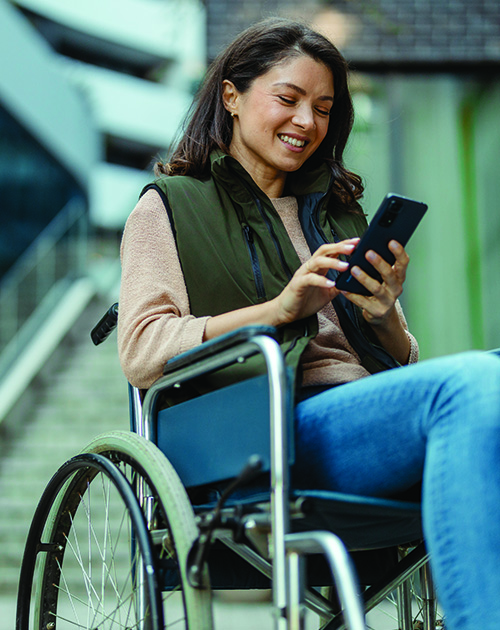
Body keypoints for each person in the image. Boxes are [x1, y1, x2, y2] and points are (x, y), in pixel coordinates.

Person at [118, 17, 500, 630]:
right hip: (265, 430)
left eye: (323, 108)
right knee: (473, 386)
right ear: (232, 97)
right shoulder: (168, 206)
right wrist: (276, 312)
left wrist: (384, 320)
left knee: (489, 377)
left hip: (362, 416)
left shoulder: (338, 212)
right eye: (288, 99)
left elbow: (405, 365)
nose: (306, 122)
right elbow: (141, 349)